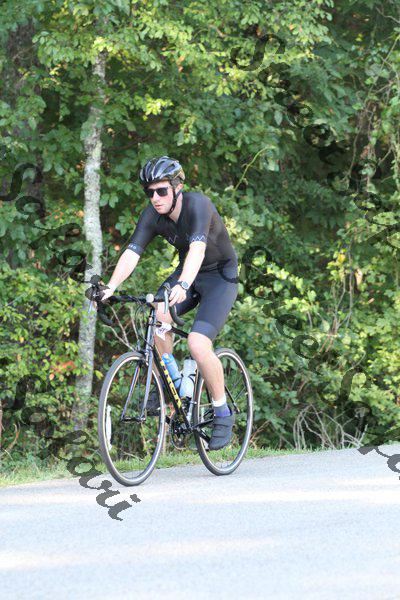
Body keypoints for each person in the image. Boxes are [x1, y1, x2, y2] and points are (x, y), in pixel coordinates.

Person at [100, 156, 239, 450]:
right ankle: (172, 384)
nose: (155, 198)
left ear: (177, 187)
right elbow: (132, 252)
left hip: (219, 277)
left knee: (198, 344)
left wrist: (184, 284)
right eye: (149, 192)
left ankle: (222, 411)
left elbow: (197, 250)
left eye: (161, 191)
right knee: (157, 315)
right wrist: (111, 286)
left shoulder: (198, 205)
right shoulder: (152, 215)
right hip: (187, 272)